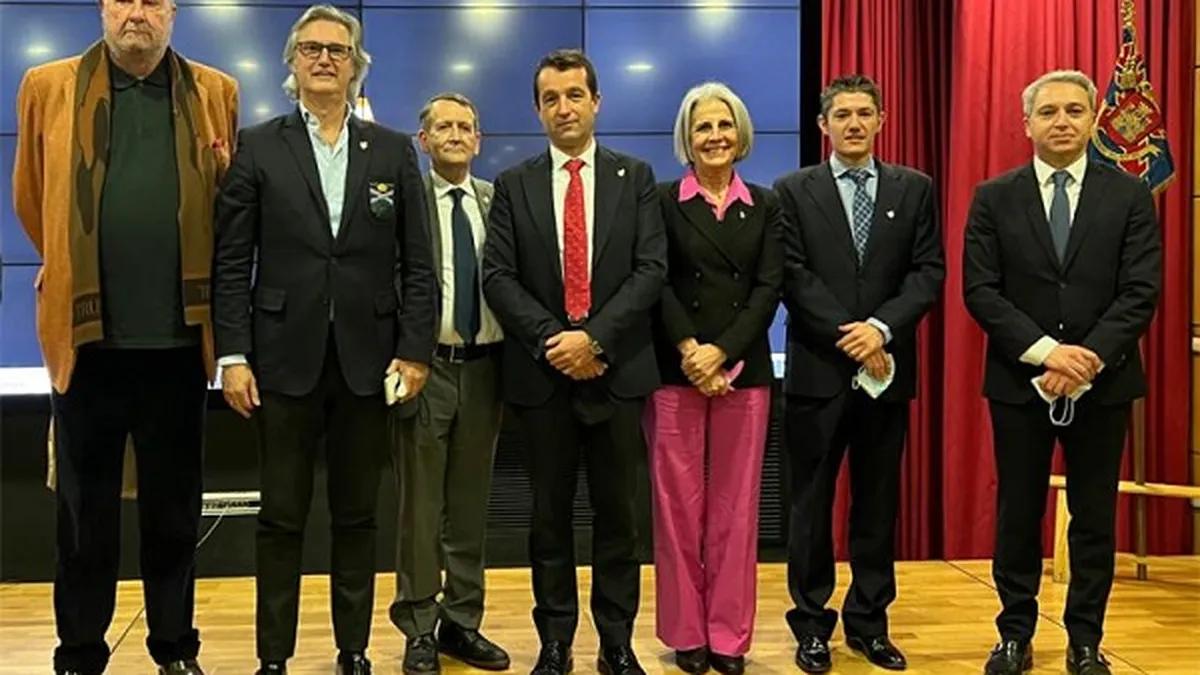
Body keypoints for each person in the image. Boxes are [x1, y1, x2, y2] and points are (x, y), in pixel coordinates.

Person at [11, 0, 238, 672]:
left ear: (172, 13)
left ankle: (174, 647)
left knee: (174, 515)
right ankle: (80, 652)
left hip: (179, 345)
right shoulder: (47, 86)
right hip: (86, 347)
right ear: (103, 8)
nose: (137, 12)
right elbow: (32, 197)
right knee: (85, 519)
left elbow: (226, 204)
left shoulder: (215, 91)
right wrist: (72, 265)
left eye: (152, 1)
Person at [211, 5, 436, 674]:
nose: (324, 59)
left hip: (369, 364)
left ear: (356, 64)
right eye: (311, 48)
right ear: (292, 62)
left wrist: (415, 350)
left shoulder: (391, 150)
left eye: (338, 50)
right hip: (282, 361)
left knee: (357, 516)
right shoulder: (259, 145)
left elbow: (419, 263)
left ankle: (353, 650)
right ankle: (274, 657)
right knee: (281, 517)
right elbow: (232, 261)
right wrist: (232, 355)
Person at [963, 69, 1162, 675]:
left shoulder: (1129, 195)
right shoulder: (993, 197)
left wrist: (1086, 358)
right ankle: (1014, 636)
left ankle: (1085, 642)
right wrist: (1048, 353)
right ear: (1026, 124)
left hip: (1104, 383)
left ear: (1095, 119)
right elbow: (982, 291)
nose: (1062, 121)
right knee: (1018, 516)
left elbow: (1140, 291)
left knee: (1094, 519)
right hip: (1020, 383)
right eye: (1048, 112)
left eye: (1075, 110)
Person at [481, 48, 666, 675]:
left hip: (617, 375)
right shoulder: (514, 184)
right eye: (551, 99)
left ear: (596, 102)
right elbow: (498, 276)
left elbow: (650, 270)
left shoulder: (635, 177)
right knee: (548, 519)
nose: (564, 108)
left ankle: (617, 643)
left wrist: (595, 340)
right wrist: (556, 341)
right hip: (543, 378)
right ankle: (555, 642)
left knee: (620, 519)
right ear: (538, 110)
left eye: (574, 95)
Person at [773, 74, 945, 673]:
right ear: (823, 125)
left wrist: (881, 330)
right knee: (810, 507)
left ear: (881, 120)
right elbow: (792, 274)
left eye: (863, 113)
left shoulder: (914, 188)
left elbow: (927, 271)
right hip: (817, 373)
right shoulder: (792, 190)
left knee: (877, 505)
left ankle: (869, 623)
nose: (853, 124)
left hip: (886, 372)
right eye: (841, 114)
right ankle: (811, 625)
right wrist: (853, 334)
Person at [644, 81, 782, 675]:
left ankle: (728, 636)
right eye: (703, 126)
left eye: (724, 125)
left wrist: (722, 352)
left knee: (736, 511)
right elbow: (655, 280)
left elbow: (768, 287)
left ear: (741, 133)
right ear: (687, 137)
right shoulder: (660, 201)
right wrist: (691, 351)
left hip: (744, 374)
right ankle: (686, 633)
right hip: (675, 371)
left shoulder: (768, 204)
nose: (715, 136)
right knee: (677, 511)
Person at [389, 92, 510, 675]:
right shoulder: (405, 203)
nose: (456, 135)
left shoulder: (496, 202)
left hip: (487, 369)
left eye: (466, 126)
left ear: (478, 140)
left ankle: (461, 622)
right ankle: (418, 626)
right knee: (420, 507)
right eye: (444, 127)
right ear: (424, 140)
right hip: (425, 369)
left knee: (469, 506)